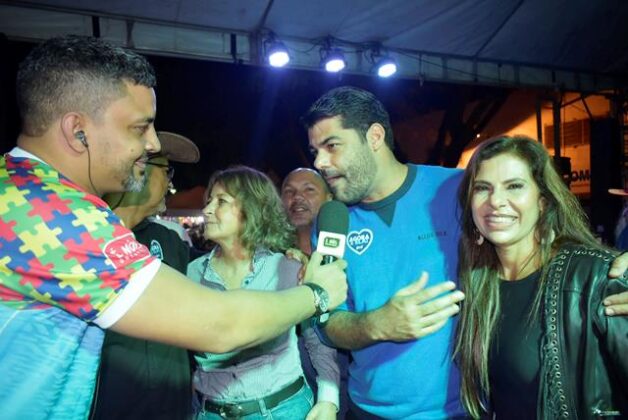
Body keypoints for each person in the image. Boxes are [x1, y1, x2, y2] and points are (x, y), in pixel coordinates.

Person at [0, 35, 347, 419]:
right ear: (77, 130)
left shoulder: (23, 192)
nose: (151, 144)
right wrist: (317, 293)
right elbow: (219, 325)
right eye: (139, 128)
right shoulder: (53, 214)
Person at [301, 86, 628, 419]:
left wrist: (610, 271)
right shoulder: (332, 223)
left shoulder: (458, 188)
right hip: (368, 411)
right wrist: (377, 325)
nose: (319, 162)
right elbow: (325, 323)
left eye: (331, 146)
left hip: (465, 409)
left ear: (374, 136)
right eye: (315, 151)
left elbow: (539, 237)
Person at [455, 135, 628, 419]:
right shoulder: (477, 283)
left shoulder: (595, 277)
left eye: (514, 186)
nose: (496, 201)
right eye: (483, 188)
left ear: (543, 202)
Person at [188, 166, 338, 419]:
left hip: (284, 410)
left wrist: (328, 400)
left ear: (252, 209)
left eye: (221, 201)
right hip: (210, 411)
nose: (207, 210)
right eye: (209, 201)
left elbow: (317, 339)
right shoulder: (191, 273)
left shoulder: (287, 268)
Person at [93, 132, 200, 419]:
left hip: (173, 407)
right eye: (167, 171)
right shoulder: (86, 240)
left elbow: (216, 271)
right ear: (137, 169)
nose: (171, 183)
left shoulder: (169, 239)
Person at [281, 167, 350, 419]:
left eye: (308, 190)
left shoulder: (353, 248)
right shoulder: (271, 255)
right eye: (289, 192)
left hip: (347, 378)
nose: (297, 198)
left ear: (330, 199)